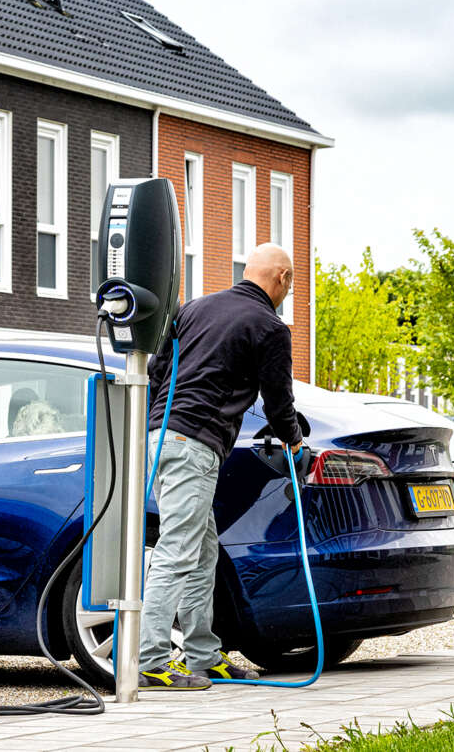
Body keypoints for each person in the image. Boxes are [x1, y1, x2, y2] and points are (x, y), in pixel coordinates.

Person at [136, 242, 305, 691]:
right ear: (283, 279)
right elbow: (277, 400)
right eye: (291, 283)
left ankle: (204, 657)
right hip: (194, 444)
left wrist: (160, 423)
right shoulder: (270, 327)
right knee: (178, 550)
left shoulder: (194, 309)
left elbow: (158, 370)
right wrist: (294, 439)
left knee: (201, 550)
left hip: (163, 437)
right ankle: (149, 659)